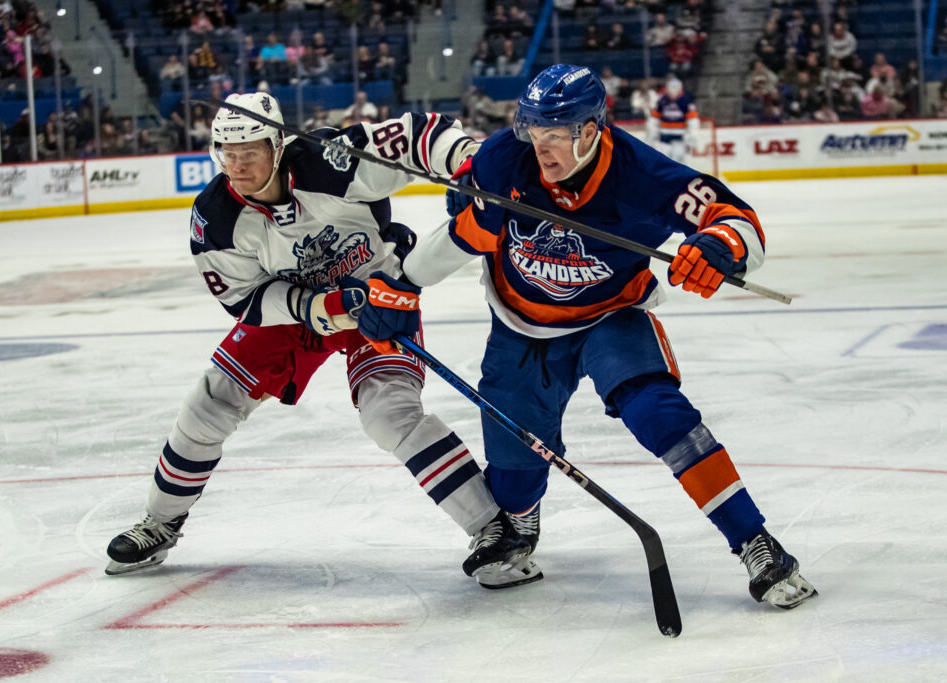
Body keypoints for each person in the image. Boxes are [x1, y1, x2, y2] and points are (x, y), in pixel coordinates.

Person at [354, 64, 818, 608]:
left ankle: (755, 543)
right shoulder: (505, 159)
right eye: (533, 131)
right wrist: (401, 282)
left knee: (660, 414)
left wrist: (718, 246)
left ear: (592, 130)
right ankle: (520, 529)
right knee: (514, 472)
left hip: (611, 316)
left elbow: (737, 219)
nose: (540, 148)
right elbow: (466, 232)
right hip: (518, 325)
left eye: (554, 135)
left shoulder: (641, 175)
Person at [103, 92, 532, 584]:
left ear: (278, 145)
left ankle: (494, 531)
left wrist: (469, 164)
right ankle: (160, 523)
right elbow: (244, 299)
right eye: (228, 152)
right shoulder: (216, 217)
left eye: (250, 151)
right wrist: (320, 307)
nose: (237, 165)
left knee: (390, 415)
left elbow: (418, 135)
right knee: (207, 405)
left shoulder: (332, 161)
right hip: (297, 315)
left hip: (377, 298)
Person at [646, 77, 699, 163]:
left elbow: (693, 121)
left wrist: (692, 137)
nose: (673, 90)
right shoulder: (662, 100)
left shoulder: (686, 101)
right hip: (664, 137)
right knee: (663, 161)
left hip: (679, 137)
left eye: (676, 87)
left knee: (678, 161)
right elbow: (654, 120)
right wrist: (652, 135)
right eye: (671, 87)